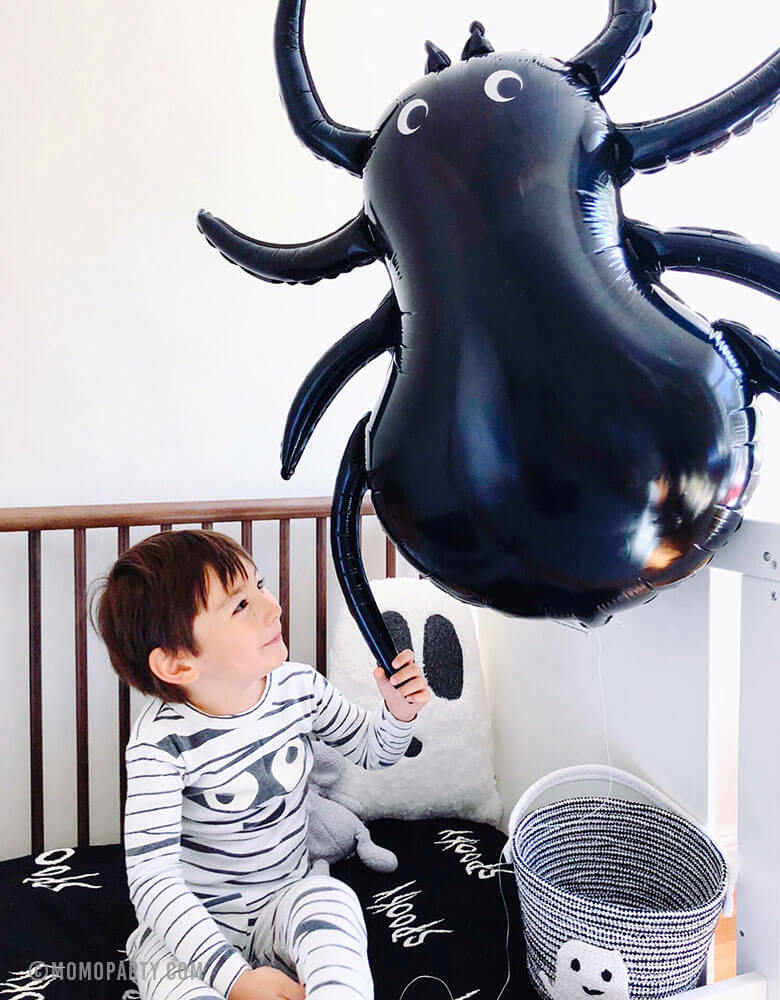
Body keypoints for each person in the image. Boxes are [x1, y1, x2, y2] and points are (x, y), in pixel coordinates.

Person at [91, 528, 431, 1000]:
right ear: (178, 664)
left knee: (332, 900)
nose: (273, 608)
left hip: (282, 906)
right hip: (191, 935)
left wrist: (398, 711)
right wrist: (236, 981)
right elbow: (154, 881)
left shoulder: (299, 690)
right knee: (171, 982)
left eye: (261, 586)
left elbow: (374, 751)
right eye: (241, 606)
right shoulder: (160, 744)